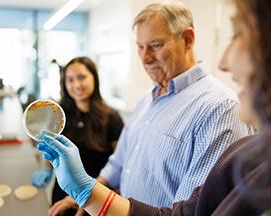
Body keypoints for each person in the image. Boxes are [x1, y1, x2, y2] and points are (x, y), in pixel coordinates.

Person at [36, 0, 271, 214]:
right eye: (140, 47)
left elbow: (188, 211)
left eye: (155, 45)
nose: (145, 58)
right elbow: (118, 164)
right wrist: (83, 194)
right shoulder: (147, 99)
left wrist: (90, 195)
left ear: (187, 39)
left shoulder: (219, 108)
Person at [32, 57, 124, 215]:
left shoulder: (112, 118)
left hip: (96, 196)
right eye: (70, 80)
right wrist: (47, 169)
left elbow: (118, 164)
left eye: (82, 77)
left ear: (94, 77)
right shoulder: (57, 114)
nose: (76, 85)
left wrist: (85, 194)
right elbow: (52, 148)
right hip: (62, 195)